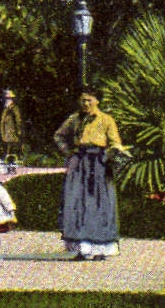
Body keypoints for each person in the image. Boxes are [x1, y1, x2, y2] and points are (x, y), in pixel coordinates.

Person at [53, 90, 129, 260]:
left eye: (89, 100)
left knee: (99, 204)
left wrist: (111, 154)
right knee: (77, 203)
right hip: (79, 163)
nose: (86, 104)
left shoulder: (106, 120)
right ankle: (81, 248)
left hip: (99, 164)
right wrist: (68, 152)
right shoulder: (74, 119)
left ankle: (100, 249)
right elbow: (59, 136)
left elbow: (116, 142)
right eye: (83, 101)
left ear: (97, 101)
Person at [0, 89, 24, 156]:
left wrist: (19, 130)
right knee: (7, 148)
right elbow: (2, 121)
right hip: (6, 132)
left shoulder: (14, 108)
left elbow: (18, 120)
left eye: (8, 98)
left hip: (12, 131)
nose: (6, 100)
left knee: (12, 148)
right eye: (6, 98)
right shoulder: (6, 109)